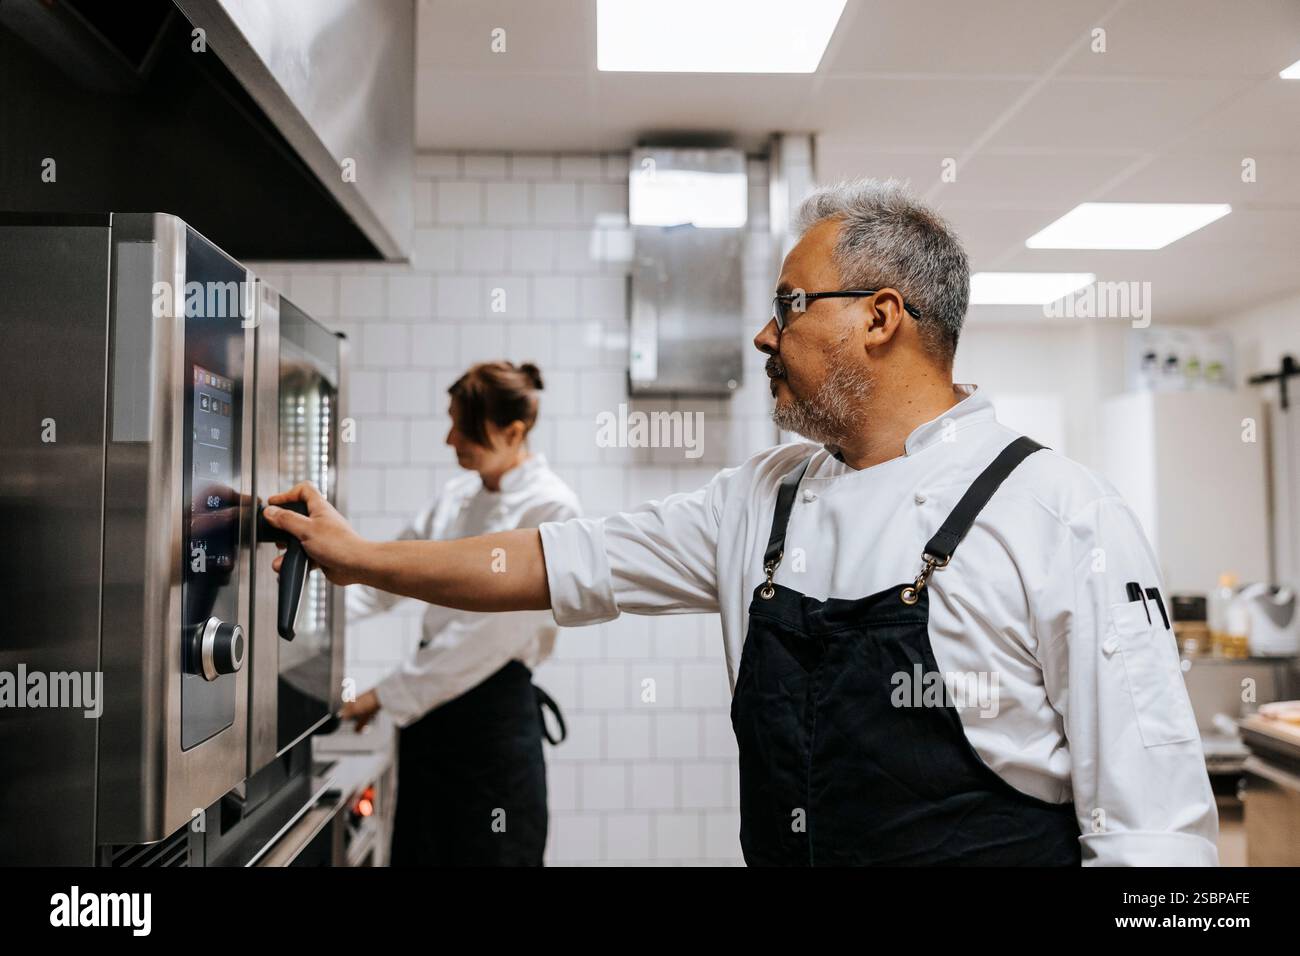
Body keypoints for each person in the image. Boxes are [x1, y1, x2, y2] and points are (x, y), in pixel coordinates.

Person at [265, 179, 1218, 866]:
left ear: (880, 317)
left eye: (789, 307)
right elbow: (555, 561)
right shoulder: (764, 499)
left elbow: (1155, 833)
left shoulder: (1061, 515)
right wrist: (361, 559)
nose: (764, 335)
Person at [342, 360, 580, 866]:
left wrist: (379, 696)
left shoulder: (552, 510)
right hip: (432, 724)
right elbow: (384, 576)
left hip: (491, 723)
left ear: (512, 431)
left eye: (463, 426)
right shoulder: (455, 500)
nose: (450, 439)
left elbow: (485, 639)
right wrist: (309, 615)